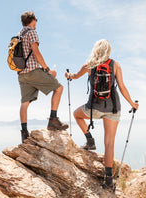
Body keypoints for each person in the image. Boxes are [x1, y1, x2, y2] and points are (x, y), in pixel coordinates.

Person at [64, 39, 139, 188]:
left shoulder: (89, 65)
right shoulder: (115, 65)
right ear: (108, 51)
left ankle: (89, 140)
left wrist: (68, 75)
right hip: (113, 108)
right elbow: (122, 87)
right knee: (109, 143)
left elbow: (74, 76)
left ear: (95, 50)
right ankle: (109, 179)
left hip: (94, 108)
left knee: (76, 114)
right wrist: (132, 104)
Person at [18, 11, 68, 143]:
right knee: (59, 88)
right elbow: (36, 52)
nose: (36, 23)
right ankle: (53, 120)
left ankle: (24, 133)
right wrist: (47, 69)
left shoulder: (19, 35)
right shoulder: (31, 32)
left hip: (21, 74)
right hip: (33, 71)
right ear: (32, 20)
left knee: (24, 103)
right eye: (36, 20)